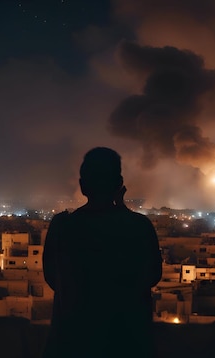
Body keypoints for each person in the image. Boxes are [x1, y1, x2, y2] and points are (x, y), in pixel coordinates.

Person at [42, 147, 162, 358]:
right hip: (127, 342)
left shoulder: (63, 227)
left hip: (73, 343)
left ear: (82, 186)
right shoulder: (139, 227)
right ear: (119, 184)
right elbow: (152, 276)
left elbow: (53, 279)